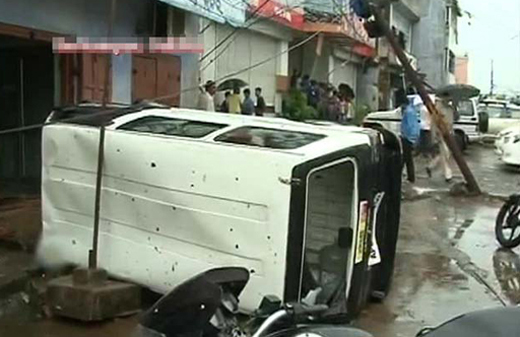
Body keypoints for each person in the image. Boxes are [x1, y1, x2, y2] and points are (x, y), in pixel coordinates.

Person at [427, 97, 455, 182]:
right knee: (445, 153)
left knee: (445, 154)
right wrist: (434, 135)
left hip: (448, 133)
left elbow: (453, 120)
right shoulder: (437, 110)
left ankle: (431, 166)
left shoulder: (450, 108)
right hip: (441, 134)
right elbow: (433, 123)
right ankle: (448, 175)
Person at [397, 89, 420, 184]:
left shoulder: (408, 112)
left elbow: (410, 126)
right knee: (406, 158)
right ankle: (407, 176)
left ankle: (409, 177)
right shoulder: (411, 110)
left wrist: (409, 137)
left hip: (407, 137)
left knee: (406, 158)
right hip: (407, 137)